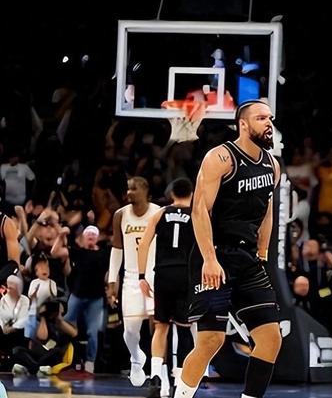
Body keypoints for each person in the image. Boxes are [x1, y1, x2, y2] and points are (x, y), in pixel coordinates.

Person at [174, 99, 282, 398]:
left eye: (270, 118)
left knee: (271, 338)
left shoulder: (272, 165)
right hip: (216, 254)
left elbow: (267, 211)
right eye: (261, 118)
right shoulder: (221, 157)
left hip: (247, 259)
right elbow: (199, 211)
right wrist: (209, 259)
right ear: (243, 124)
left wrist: (263, 252)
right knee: (211, 340)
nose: (269, 124)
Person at [138, 178, 195, 398]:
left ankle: (155, 375)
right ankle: (180, 382)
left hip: (163, 274)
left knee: (160, 326)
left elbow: (143, 244)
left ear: (171, 194)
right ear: (191, 194)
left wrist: (141, 276)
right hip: (185, 275)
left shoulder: (160, 214)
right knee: (184, 328)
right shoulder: (196, 215)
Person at [108, 177, 160, 387]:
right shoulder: (120, 215)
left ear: (145, 190)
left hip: (154, 275)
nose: (129, 192)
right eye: (128, 188)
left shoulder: (158, 213)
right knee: (130, 330)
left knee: (157, 325)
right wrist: (112, 279)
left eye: (134, 188)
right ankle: (137, 358)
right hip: (131, 277)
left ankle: (157, 371)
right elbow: (116, 248)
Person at [62, 225, 108, 374]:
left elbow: (110, 273)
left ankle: (90, 361)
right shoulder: (78, 252)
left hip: (96, 298)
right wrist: (62, 236)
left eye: (93, 234)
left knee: (92, 331)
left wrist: (111, 290)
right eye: (88, 234)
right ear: (83, 237)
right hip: (77, 295)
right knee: (65, 323)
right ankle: (62, 355)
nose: (91, 236)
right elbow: (57, 252)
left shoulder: (104, 254)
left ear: (97, 237)